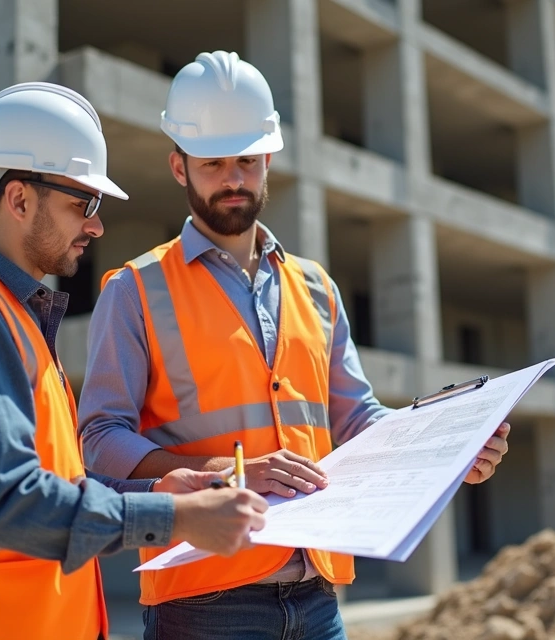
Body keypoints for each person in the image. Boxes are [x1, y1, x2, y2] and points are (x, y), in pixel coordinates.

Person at [79, 52, 511, 640]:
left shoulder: (316, 287)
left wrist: (451, 450)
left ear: (269, 159)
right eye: (212, 163)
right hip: (204, 607)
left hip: (319, 599)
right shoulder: (133, 290)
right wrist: (227, 475)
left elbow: (358, 419)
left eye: (247, 161)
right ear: (178, 166)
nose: (233, 178)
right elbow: (101, 444)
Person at [0, 82, 268, 640]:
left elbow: (56, 483)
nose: (96, 226)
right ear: (19, 200)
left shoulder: (9, 314)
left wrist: (157, 492)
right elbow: (13, 502)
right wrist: (178, 519)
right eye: (83, 205)